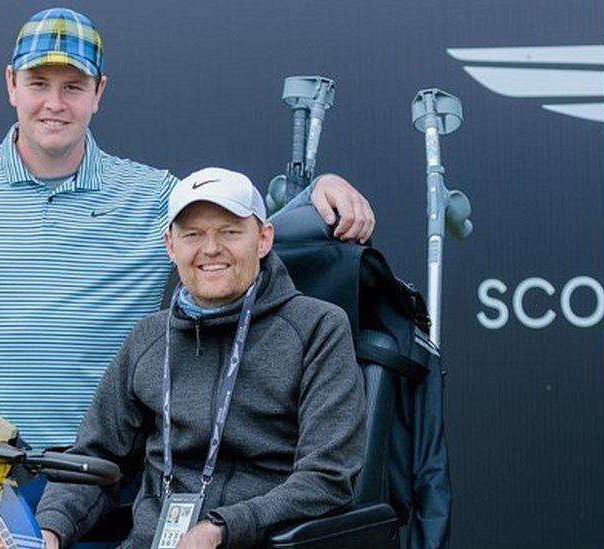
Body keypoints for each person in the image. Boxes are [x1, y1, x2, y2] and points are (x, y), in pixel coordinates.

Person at [0, 7, 375, 450]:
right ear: (11, 84)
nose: (54, 103)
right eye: (38, 83)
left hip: (99, 470)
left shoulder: (152, 194)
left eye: (73, 86)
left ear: (99, 92)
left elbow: (233, 227)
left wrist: (317, 193)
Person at [35, 168, 366, 548]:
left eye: (229, 231)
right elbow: (93, 459)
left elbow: (327, 478)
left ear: (263, 239)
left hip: (259, 540)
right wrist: (49, 529)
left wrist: (222, 530)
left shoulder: (317, 328)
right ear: (170, 246)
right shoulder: (149, 337)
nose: (210, 249)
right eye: (192, 234)